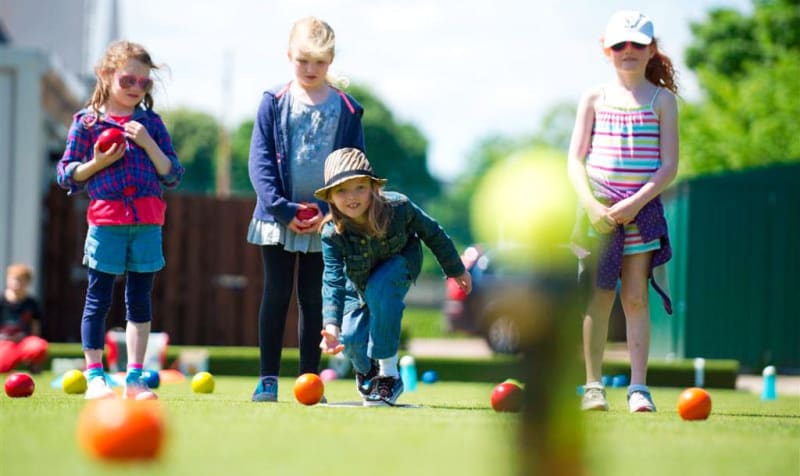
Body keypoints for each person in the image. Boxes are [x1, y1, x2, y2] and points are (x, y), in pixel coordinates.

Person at [56, 40, 184, 400]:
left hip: (147, 223)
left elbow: (172, 174)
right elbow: (66, 174)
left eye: (144, 82)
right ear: (106, 74)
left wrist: (147, 143)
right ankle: (95, 376)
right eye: (128, 80)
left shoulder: (151, 123)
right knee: (98, 298)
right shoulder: (87, 122)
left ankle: (135, 379)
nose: (136, 88)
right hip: (106, 221)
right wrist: (97, 164)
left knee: (139, 300)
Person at [247, 17, 365, 402]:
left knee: (314, 299)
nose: (311, 69)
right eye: (303, 61)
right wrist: (284, 210)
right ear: (289, 56)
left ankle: (310, 380)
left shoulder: (348, 109)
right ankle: (267, 379)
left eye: (320, 62)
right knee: (277, 293)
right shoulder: (273, 101)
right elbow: (260, 163)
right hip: (276, 220)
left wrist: (329, 211)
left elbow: (354, 166)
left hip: (326, 222)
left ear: (331, 60)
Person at [567, 10, 678, 413]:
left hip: (640, 215)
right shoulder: (593, 97)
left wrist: (635, 203)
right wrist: (592, 206)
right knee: (598, 298)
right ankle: (593, 387)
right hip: (598, 215)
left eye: (636, 43)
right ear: (607, 50)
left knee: (634, 298)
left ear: (651, 49)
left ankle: (638, 389)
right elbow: (575, 161)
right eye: (619, 44)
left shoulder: (662, 100)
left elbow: (669, 165)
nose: (627, 50)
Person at [316, 148, 472, 406]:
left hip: (400, 262)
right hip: (356, 282)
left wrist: (456, 269)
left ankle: (389, 375)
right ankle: (367, 372)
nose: (351, 197)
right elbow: (332, 279)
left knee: (381, 287)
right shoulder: (331, 233)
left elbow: (433, 233)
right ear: (330, 197)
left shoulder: (398, 207)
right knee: (351, 339)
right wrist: (331, 325)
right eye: (341, 191)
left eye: (359, 187)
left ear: (373, 188)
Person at [0, 264, 47, 373]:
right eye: (14, 279)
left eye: (21, 280)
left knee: (38, 346)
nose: (17, 283)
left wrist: (33, 338)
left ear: (27, 283)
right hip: (3, 342)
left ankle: (32, 364)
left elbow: (36, 325)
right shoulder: (1, 300)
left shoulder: (31, 303)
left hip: (23, 342)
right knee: (2, 365)